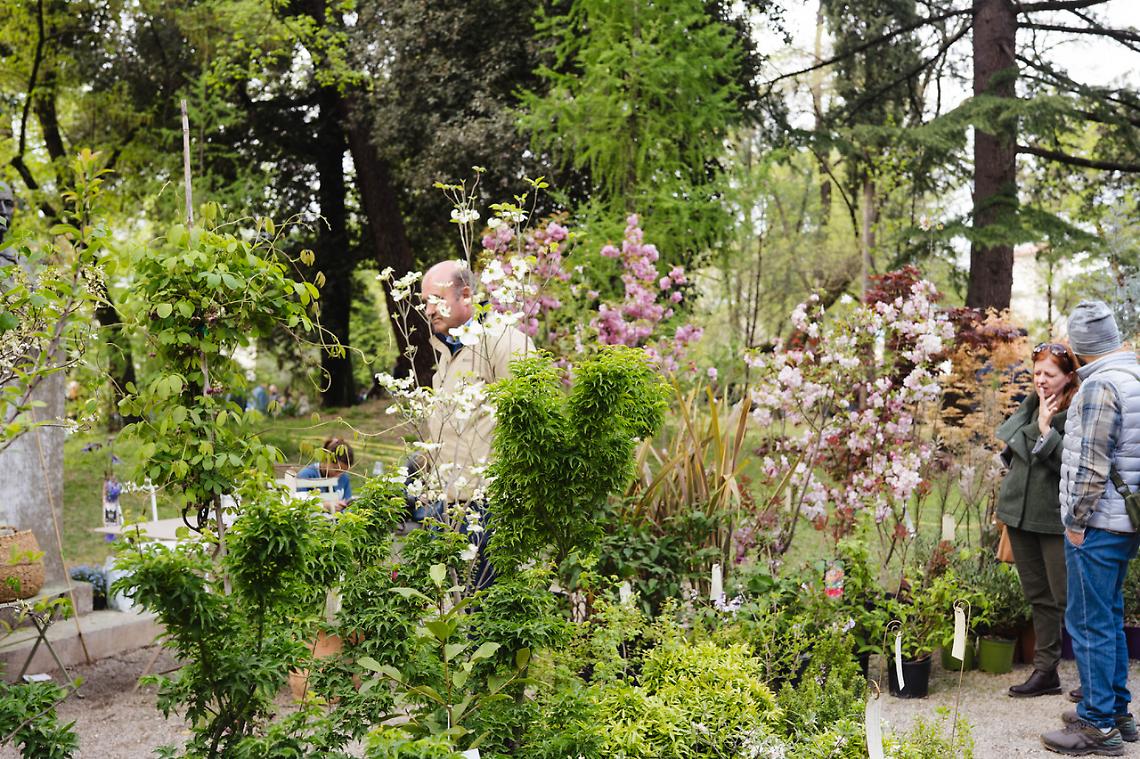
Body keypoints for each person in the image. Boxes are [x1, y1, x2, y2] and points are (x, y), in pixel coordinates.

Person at [1042, 301, 1140, 756]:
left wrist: (1076, 522)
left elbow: (1092, 464)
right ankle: (1117, 712)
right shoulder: (1134, 377)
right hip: (1124, 523)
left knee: (1088, 623)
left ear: (1080, 346)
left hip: (1097, 524)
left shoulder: (1101, 384)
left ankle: (1097, 724)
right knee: (1109, 618)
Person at [413, 259, 534, 588]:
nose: (429, 310)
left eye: (436, 300)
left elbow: (531, 423)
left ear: (466, 295)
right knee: (458, 607)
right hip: (448, 506)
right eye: (425, 302)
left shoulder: (504, 343)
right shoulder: (447, 354)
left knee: (489, 606)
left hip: (492, 507)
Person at [997, 341, 1079, 698]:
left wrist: (1046, 431)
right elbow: (1014, 451)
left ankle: (1096, 680)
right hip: (1019, 515)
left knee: (1070, 599)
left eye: (1050, 374)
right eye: (1037, 373)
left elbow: (1073, 469)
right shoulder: (1031, 404)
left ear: (1069, 376)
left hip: (1054, 519)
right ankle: (1046, 672)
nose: (1041, 380)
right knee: (1039, 597)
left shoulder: (1078, 411)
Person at [297, 437, 354, 511]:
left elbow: (347, 503)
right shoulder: (306, 476)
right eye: (336, 470)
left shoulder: (344, 478)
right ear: (326, 460)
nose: (339, 475)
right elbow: (298, 504)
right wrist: (323, 505)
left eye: (343, 471)